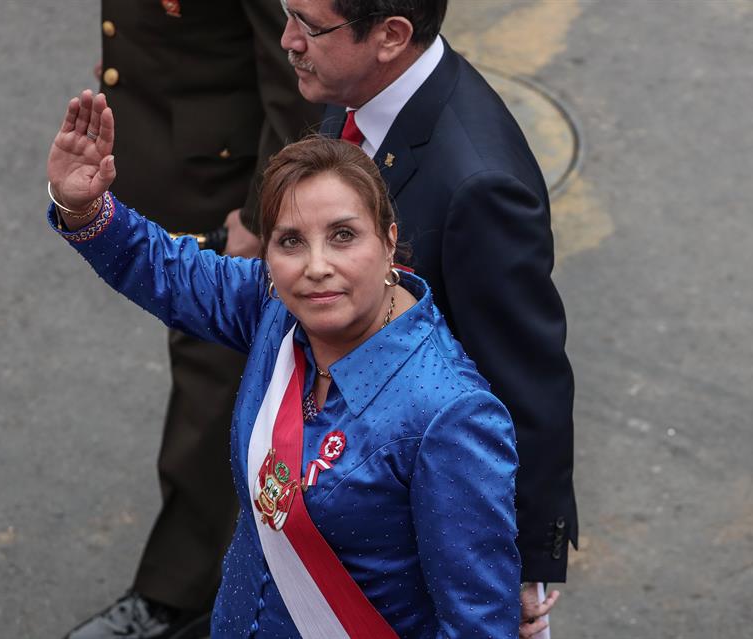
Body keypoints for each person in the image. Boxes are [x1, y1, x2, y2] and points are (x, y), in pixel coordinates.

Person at [46, 89, 522, 637]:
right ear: (268, 255)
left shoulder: (450, 414)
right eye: (291, 241)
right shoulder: (276, 308)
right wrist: (81, 206)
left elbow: (479, 625)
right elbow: (166, 272)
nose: (316, 266)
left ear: (389, 242)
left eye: (343, 236)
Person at [229, 2, 579, 635]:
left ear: (390, 36)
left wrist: (524, 567)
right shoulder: (355, 88)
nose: (288, 41)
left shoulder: (480, 183)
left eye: (308, 25)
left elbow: (525, 378)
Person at [66, 2, 322, 637]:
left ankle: (175, 595)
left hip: (232, 184)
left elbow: (299, 73)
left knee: (214, 386)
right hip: (172, 144)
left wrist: (269, 212)